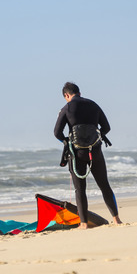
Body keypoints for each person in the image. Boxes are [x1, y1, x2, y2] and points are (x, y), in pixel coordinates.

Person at [54, 82, 122, 229]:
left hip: (77, 154)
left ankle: (83, 223)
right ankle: (116, 219)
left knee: (80, 189)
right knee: (105, 186)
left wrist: (67, 142)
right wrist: (97, 137)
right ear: (79, 92)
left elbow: (56, 133)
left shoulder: (66, 108)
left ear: (66, 95)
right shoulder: (93, 105)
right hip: (95, 152)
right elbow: (107, 127)